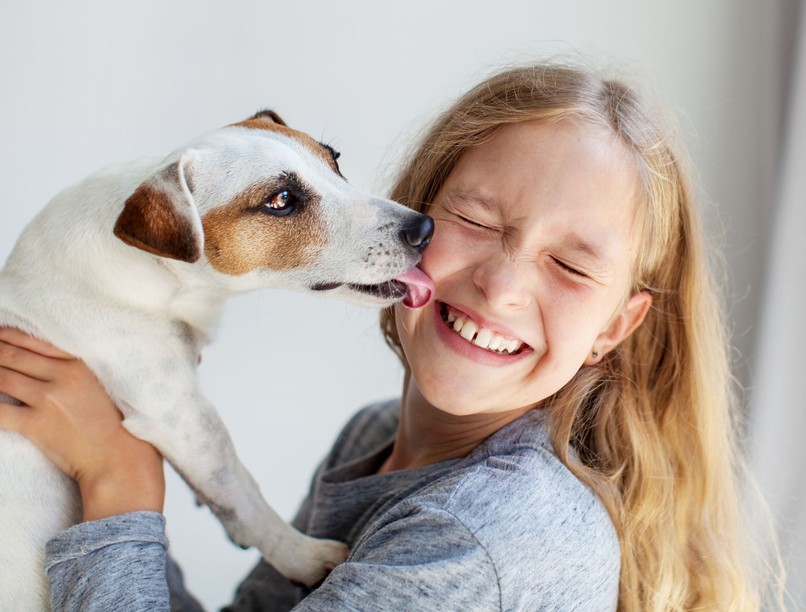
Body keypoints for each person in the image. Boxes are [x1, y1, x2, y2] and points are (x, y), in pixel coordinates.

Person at [0, 60, 775, 610]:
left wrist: (120, 485)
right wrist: (93, 501)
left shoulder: (477, 536)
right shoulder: (377, 441)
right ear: (409, 216)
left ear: (616, 325)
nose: (501, 286)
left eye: (571, 265)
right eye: (473, 220)